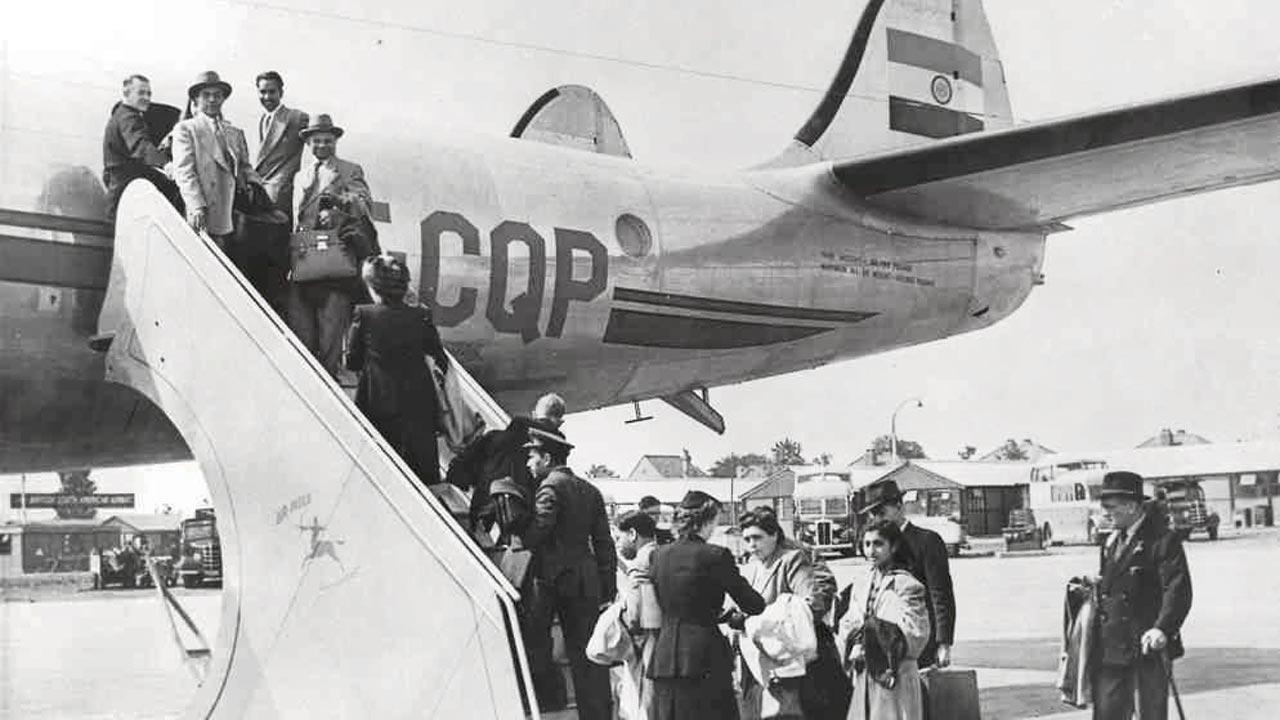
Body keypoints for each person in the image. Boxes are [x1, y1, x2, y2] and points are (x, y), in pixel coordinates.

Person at [522, 427, 617, 719]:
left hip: (553, 582)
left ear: (547, 458)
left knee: (537, 642)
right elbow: (604, 543)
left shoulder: (549, 487)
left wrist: (518, 533)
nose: (528, 463)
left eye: (532, 457)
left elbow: (539, 531)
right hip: (586, 583)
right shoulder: (590, 490)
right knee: (588, 656)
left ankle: (549, 702)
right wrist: (607, 589)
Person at [649, 490, 766, 720]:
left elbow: (676, 602)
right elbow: (754, 605)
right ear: (708, 520)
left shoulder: (659, 555)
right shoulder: (716, 555)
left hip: (665, 658)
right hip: (704, 657)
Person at [1092, 471, 1192, 720]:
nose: (1105, 513)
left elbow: (1177, 589)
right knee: (1107, 714)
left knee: (1150, 714)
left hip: (1147, 647)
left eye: (1110, 507)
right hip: (1111, 647)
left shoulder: (1162, 540)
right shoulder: (1112, 541)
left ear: (1131, 506)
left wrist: (1162, 628)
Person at [343, 255, 449, 485]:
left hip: (379, 403)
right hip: (419, 406)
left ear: (373, 288)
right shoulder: (421, 315)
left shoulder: (365, 314)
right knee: (423, 475)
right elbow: (441, 359)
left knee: (380, 473)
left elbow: (352, 361)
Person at [735, 508, 843, 720]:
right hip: (763, 661)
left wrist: (763, 621)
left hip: (796, 660)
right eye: (747, 539)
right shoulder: (751, 566)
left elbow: (813, 603)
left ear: (774, 534)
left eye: (757, 537)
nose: (751, 545)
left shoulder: (791, 558)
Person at [289, 113, 373, 377]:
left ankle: (327, 379)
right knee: (302, 332)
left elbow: (364, 204)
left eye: (327, 141)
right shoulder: (301, 175)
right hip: (303, 261)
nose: (322, 146)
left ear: (335, 142)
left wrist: (340, 206)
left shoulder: (349, 170)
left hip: (333, 262)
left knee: (331, 333)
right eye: (316, 141)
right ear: (308, 143)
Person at [858, 480, 955, 670]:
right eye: (872, 514)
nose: (876, 518)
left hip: (920, 640)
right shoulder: (874, 545)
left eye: (881, 512)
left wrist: (944, 643)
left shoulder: (927, 541)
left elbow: (941, 595)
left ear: (899, 506)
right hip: (884, 641)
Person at [839, 519, 930, 720]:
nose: (871, 550)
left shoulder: (907, 585)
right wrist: (855, 637)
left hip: (895, 674)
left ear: (894, 546)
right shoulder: (861, 582)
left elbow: (916, 634)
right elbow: (848, 622)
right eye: (867, 544)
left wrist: (876, 632)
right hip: (864, 675)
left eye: (878, 544)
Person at [235, 70, 308, 314]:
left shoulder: (297, 118)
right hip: (261, 198)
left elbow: (318, 138)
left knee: (276, 260)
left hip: (279, 198)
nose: (267, 97)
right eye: (263, 92)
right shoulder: (260, 120)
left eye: (272, 92)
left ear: (281, 92)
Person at [171, 71, 261, 246]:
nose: (212, 100)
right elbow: (184, 171)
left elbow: (245, 166)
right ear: (196, 99)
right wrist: (196, 205)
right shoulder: (187, 129)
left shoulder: (234, 133)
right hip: (204, 211)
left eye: (217, 95)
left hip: (234, 211)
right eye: (206, 95)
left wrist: (254, 184)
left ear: (223, 99)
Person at [102, 74, 182, 222]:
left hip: (118, 193)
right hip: (125, 196)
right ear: (126, 93)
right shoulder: (129, 118)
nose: (147, 97)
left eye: (149, 93)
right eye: (141, 93)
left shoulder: (121, 114)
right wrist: (166, 165)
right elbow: (141, 146)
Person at [615, 509, 662, 720]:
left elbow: (634, 618)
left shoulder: (639, 565)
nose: (618, 543)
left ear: (632, 534)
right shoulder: (663, 554)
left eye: (619, 537)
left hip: (646, 646)